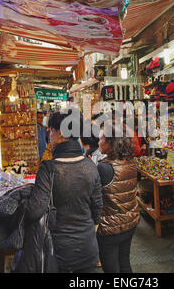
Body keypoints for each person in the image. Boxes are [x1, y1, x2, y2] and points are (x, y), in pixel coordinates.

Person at [24, 109, 103, 273]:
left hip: (59, 252)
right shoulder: (90, 166)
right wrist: (86, 234)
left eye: (51, 130)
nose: (49, 134)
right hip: (88, 248)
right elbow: (97, 210)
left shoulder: (48, 169)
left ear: (60, 133)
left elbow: (34, 211)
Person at [96, 121, 140, 273]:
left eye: (101, 138)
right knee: (125, 263)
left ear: (110, 142)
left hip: (110, 228)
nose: (98, 141)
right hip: (130, 222)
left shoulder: (104, 167)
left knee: (111, 269)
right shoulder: (130, 161)